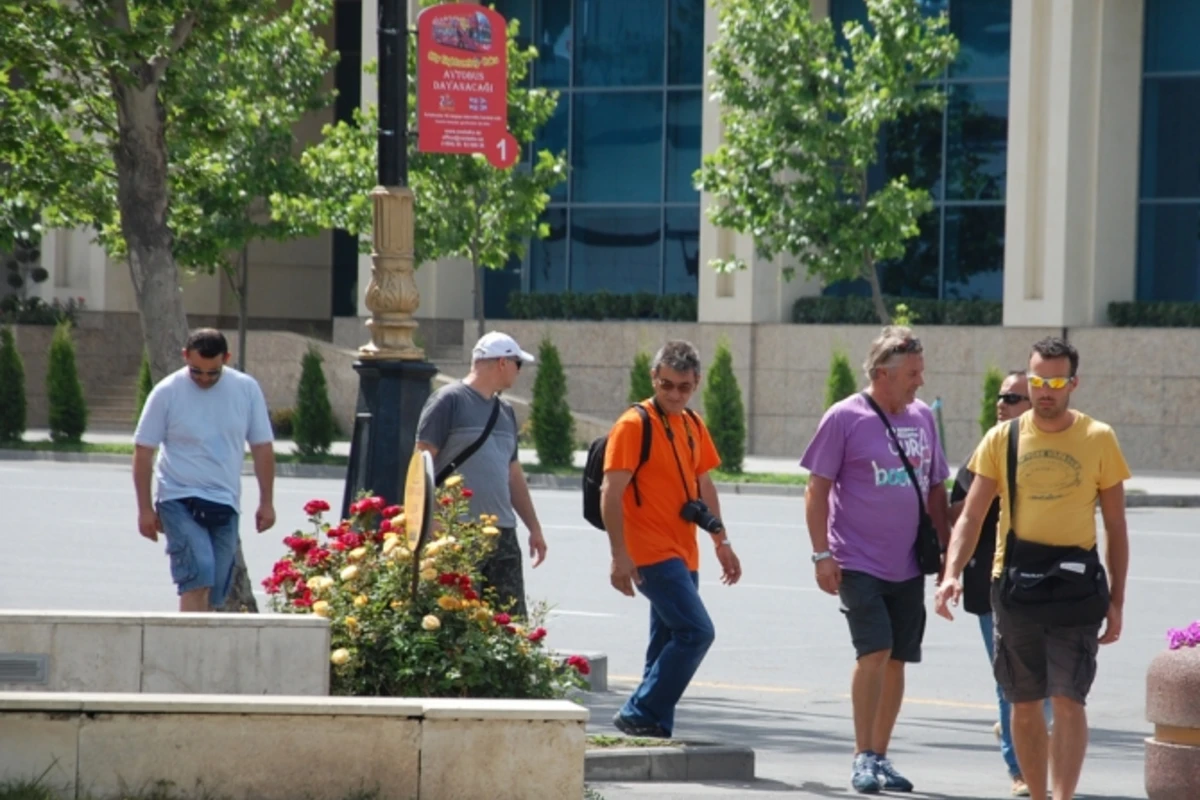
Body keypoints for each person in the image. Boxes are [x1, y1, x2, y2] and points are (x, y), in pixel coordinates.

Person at [935, 337, 1131, 800]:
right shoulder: (1003, 438)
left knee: (1068, 699)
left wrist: (1118, 600)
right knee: (1022, 703)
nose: (1046, 391)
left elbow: (1117, 528)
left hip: (1076, 587)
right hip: (1016, 587)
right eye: (1039, 381)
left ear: (1073, 383)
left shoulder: (1098, 438)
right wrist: (951, 574)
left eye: (1056, 382)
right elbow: (972, 515)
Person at [800, 325, 950, 795]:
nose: (919, 382)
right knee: (875, 650)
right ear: (883, 373)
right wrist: (822, 553)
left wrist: (947, 555)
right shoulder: (845, 417)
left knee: (898, 660)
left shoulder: (923, 417)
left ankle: (881, 756)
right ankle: (862, 757)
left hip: (908, 561)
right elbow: (817, 489)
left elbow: (936, 489)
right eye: (912, 373)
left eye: (921, 372)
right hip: (856, 559)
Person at [601, 340, 742, 738]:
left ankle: (653, 726)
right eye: (667, 385)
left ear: (696, 382)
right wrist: (618, 556)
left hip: (684, 552)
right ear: (654, 378)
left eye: (684, 387)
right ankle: (639, 709)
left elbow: (704, 484)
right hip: (648, 552)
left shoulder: (692, 423)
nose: (675, 394)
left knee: (665, 642)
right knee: (697, 632)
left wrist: (721, 540)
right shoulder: (633, 424)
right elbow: (610, 493)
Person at [133, 328, 276, 612]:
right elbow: (143, 451)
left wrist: (266, 502)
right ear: (185, 356)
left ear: (227, 358)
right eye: (196, 370)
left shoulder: (246, 389)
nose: (204, 378)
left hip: (224, 500)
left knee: (216, 589)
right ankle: (186, 652)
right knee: (198, 574)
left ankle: (202, 651)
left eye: (213, 372)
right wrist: (145, 509)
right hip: (177, 497)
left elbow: (262, 447)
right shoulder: (167, 392)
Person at [948, 370, 1043, 797]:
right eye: (1001, 397)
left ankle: (1016, 728)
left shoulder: (1051, 450)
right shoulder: (986, 451)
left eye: (1013, 397)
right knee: (1012, 678)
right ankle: (1019, 767)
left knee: (1049, 682)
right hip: (993, 582)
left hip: (1047, 583)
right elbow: (957, 514)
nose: (1003, 403)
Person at [416, 330, 548, 619]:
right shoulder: (448, 400)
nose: (518, 372)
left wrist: (534, 528)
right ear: (502, 363)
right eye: (518, 364)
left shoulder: (506, 412)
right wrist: (433, 524)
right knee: (460, 625)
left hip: (502, 533)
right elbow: (421, 464)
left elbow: (513, 475)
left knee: (511, 624)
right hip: (458, 532)